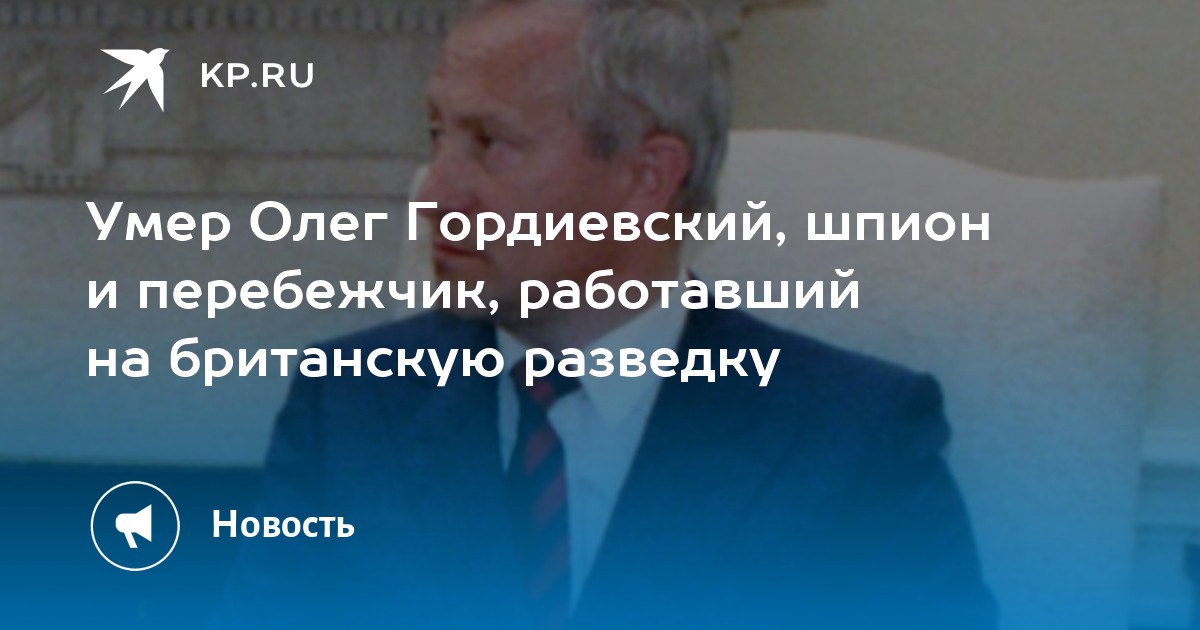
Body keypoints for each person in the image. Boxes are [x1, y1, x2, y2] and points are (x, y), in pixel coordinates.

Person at [218, 1, 997, 628]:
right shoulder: (347, 407)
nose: (435, 192)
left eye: (490, 142)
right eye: (436, 135)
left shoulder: (853, 439)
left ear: (645, 177)